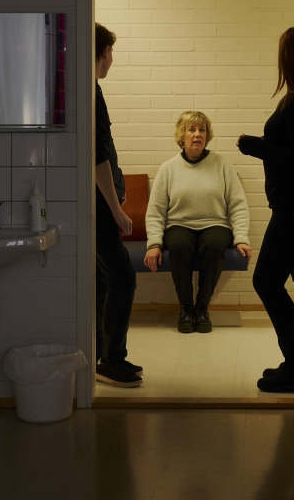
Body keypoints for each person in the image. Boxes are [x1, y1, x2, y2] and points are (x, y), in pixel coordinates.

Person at [144, 111, 251, 334]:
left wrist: (241, 237)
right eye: (191, 129)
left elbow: (238, 205)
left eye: (202, 130)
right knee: (179, 245)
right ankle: (185, 308)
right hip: (179, 225)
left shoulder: (222, 164)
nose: (197, 134)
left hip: (216, 224)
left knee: (214, 245)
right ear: (181, 136)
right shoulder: (168, 168)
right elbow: (155, 211)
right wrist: (154, 244)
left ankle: (202, 308)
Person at [237, 25, 294, 393]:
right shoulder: (292, 98)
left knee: (265, 281)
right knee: (292, 284)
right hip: (288, 207)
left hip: (291, 211)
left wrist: (255, 147)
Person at [94, 23, 142, 388]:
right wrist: (116, 208)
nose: (112, 58)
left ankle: (103, 353)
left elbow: (106, 153)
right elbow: (97, 160)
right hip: (99, 208)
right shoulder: (91, 94)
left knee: (104, 281)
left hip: (103, 202)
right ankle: (112, 360)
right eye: (111, 51)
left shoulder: (92, 90)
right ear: (103, 52)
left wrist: (119, 185)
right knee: (122, 279)